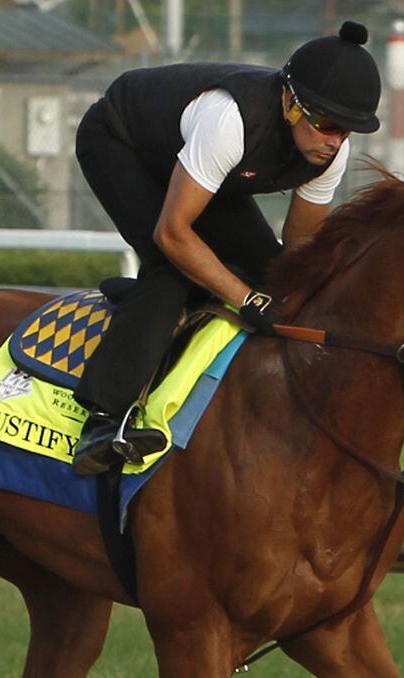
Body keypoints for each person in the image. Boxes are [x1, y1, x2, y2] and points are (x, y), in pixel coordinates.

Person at [70, 21, 383, 476]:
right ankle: (102, 423)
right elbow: (173, 233)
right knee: (172, 269)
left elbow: (299, 250)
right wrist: (245, 298)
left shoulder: (330, 153)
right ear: (290, 103)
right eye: (328, 123)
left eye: (349, 130)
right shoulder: (230, 121)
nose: (335, 140)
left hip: (197, 171)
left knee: (273, 272)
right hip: (122, 143)